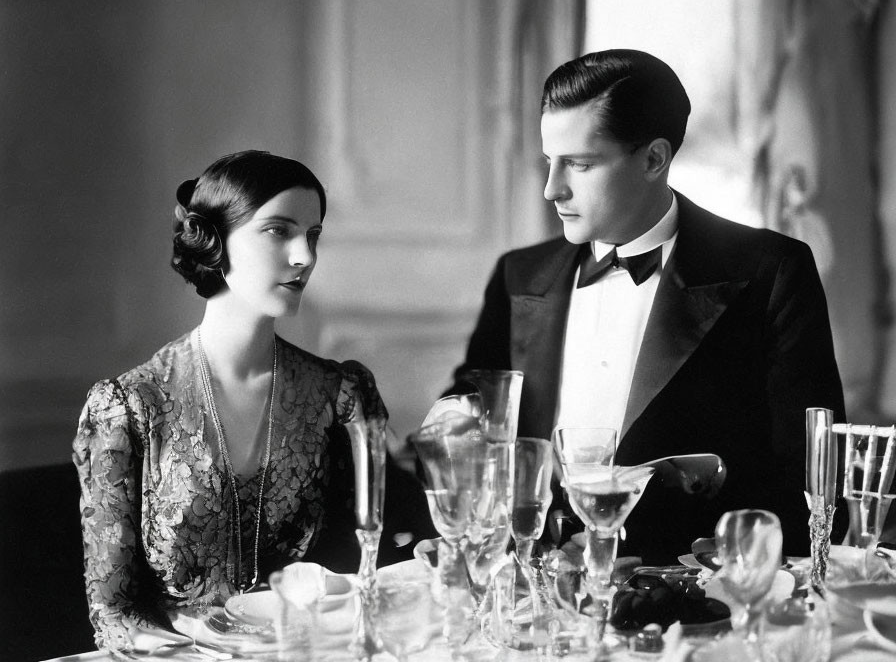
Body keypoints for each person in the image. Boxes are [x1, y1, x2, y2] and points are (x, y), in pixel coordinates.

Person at [449, 50, 845, 563]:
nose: (552, 188)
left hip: (693, 599)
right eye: (550, 160)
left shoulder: (771, 271)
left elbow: (810, 475)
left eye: (581, 164)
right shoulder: (518, 274)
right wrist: (451, 418)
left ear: (654, 159)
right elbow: (473, 404)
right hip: (536, 591)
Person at [73, 151, 432, 652]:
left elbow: (382, 553)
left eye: (313, 235)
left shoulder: (339, 395)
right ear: (216, 243)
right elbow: (115, 617)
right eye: (278, 230)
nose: (304, 255)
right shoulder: (129, 408)